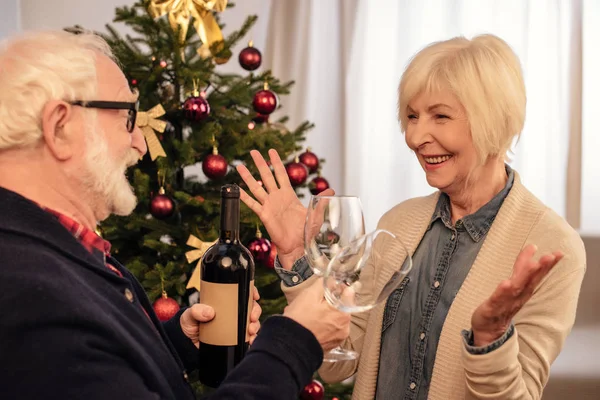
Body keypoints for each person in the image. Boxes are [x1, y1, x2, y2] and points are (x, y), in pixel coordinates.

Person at [0, 30, 350, 400]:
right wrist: (293, 342)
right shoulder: (29, 292)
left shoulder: (55, 247)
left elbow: (102, 365)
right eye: (128, 118)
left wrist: (179, 342)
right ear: (60, 127)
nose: (140, 143)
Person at [237, 34, 586, 400]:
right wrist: (296, 258)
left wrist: (490, 339)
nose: (416, 136)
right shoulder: (399, 223)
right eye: (412, 116)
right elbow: (339, 358)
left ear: (494, 122)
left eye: (440, 116)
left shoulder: (554, 246)